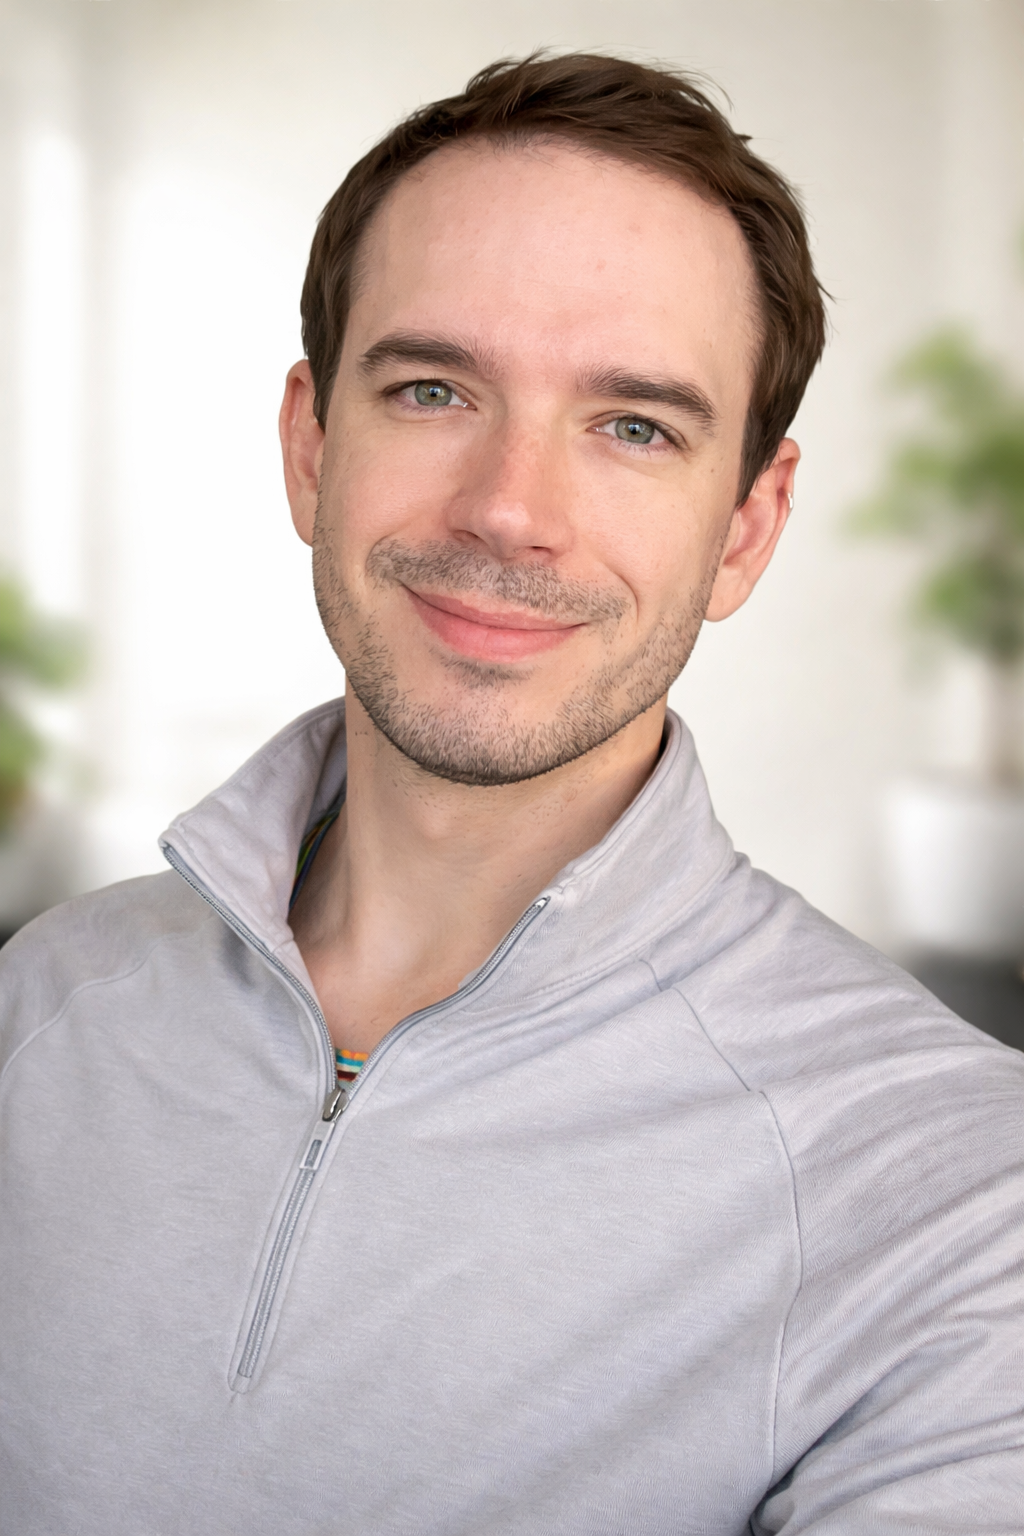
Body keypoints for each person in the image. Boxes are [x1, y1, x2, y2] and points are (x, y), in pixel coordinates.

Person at [1, 52, 1021, 1536]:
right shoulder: (41, 1006)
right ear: (310, 448)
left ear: (747, 526)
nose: (508, 509)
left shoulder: (955, 1194)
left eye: (634, 426)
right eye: (432, 389)